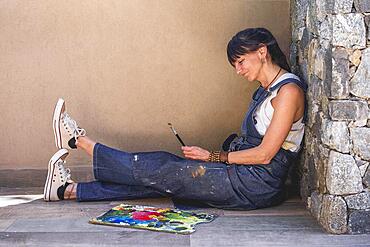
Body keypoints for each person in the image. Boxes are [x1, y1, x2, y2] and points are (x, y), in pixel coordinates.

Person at [43, 27, 307, 210]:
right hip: (243, 174)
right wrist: (214, 157)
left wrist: (212, 157)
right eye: (234, 65)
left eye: (240, 61)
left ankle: (80, 142)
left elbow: (264, 155)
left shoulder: (288, 92)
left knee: (165, 167)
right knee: (165, 179)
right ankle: (67, 190)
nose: (238, 70)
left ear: (261, 51)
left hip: (254, 184)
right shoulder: (266, 89)